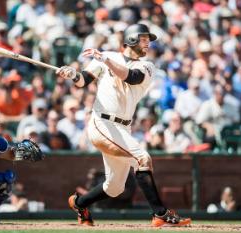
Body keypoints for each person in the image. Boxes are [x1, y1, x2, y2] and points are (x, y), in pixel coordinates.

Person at [56, 23, 191, 227]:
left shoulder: (147, 66)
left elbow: (131, 77)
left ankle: (79, 203)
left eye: (148, 40)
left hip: (122, 128)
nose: (148, 44)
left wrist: (105, 59)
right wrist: (73, 75)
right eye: (144, 39)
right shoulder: (107, 57)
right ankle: (160, 214)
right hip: (102, 123)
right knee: (142, 158)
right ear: (131, 39)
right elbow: (84, 80)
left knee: (115, 188)